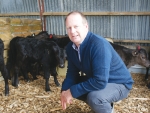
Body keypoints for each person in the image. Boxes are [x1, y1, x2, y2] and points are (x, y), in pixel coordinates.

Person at [60, 11, 134, 113]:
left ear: (86, 26)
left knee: (94, 98)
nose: (72, 31)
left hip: (119, 83)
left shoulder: (98, 45)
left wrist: (72, 91)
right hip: (100, 80)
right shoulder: (70, 47)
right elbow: (72, 73)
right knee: (68, 85)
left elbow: (100, 81)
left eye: (76, 26)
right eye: (69, 28)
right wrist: (65, 91)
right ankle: (103, 103)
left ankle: (104, 105)